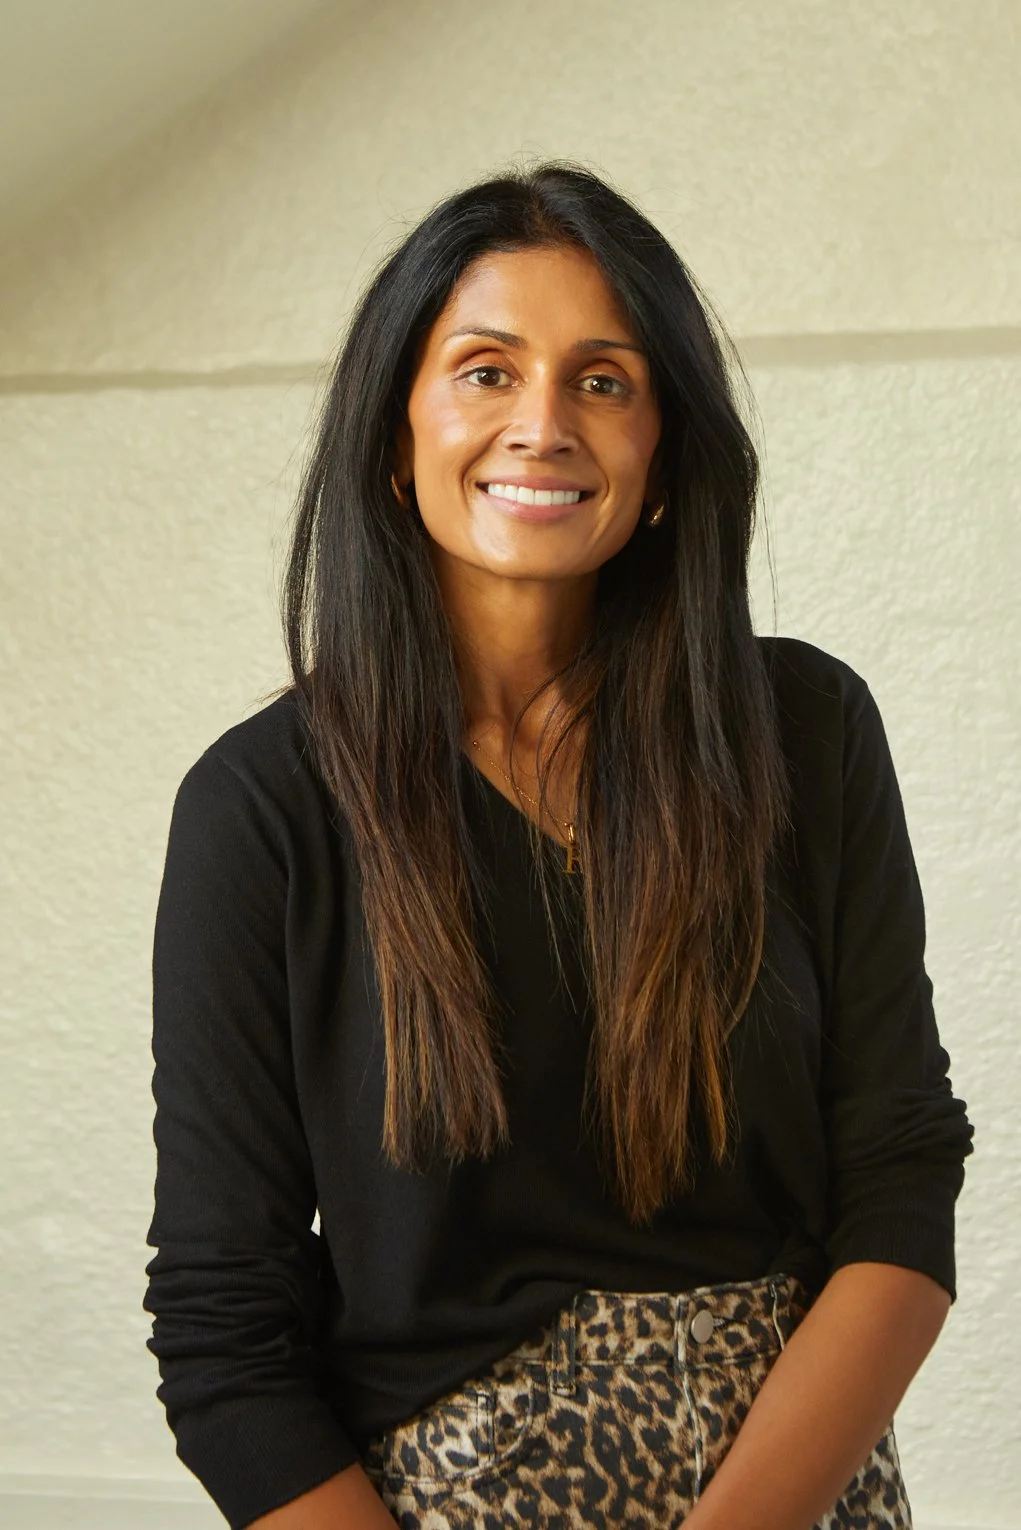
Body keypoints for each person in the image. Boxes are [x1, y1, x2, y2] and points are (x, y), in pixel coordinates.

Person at [143, 163, 974, 1530]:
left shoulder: (806, 730)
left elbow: (900, 1170)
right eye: (486, 371)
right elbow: (222, 1326)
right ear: (393, 434)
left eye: (603, 380)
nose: (542, 424)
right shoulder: (262, 808)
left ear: (664, 454)